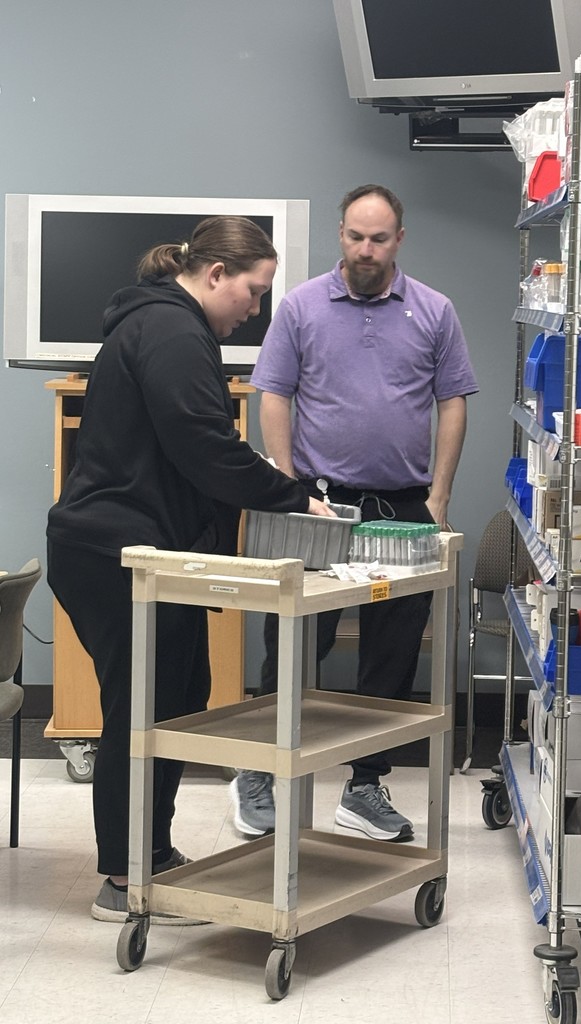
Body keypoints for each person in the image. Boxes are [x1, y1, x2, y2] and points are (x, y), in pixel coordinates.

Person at [46, 216, 334, 924]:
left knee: (176, 696)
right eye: (253, 290)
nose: (256, 309)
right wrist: (294, 496)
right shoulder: (173, 331)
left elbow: (190, 450)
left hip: (136, 548)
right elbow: (205, 447)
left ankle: (151, 856)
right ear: (215, 274)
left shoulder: (166, 324)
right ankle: (124, 879)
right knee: (143, 710)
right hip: (114, 552)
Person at [230, 184, 478, 842]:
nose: (366, 250)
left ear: (399, 240)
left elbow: (453, 401)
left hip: (404, 505)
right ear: (340, 234)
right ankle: (260, 773)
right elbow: (273, 392)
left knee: (392, 653)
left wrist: (439, 497)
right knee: (293, 642)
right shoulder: (301, 305)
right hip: (320, 500)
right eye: (355, 236)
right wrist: (287, 485)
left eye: (379, 238)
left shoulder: (434, 310)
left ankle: (365, 786)